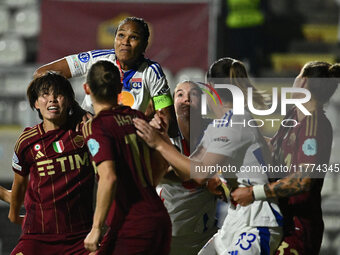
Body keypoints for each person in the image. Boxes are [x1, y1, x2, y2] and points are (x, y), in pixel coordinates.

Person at [134, 57, 283, 255]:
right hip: (235, 221)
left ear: (210, 89)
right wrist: (161, 146)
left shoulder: (235, 122)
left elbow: (200, 174)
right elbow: (188, 170)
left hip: (257, 222)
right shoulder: (218, 125)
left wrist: (160, 144)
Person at [232, 61, 340, 255]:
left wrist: (254, 192)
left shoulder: (313, 126)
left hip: (298, 228)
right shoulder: (293, 115)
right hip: (280, 219)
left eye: (298, 75)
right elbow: (273, 148)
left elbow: (303, 180)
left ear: (303, 82)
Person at [81, 60, 171, 255]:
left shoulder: (95, 126)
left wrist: (96, 228)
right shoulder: (137, 117)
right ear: (120, 88)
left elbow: (109, 177)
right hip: (157, 218)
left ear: (87, 88)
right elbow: (161, 163)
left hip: (133, 224)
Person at [8, 72, 95, 255]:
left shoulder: (86, 132)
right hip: (38, 236)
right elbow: (19, 186)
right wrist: (14, 214)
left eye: (59, 94)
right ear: (35, 103)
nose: (52, 100)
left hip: (81, 237)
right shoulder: (26, 141)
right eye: (45, 95)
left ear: (70, 101)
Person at [34, 16, 173, 120]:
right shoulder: (97, 59)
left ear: (144, 45)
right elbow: (41, 73)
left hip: (128, 138)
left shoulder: (153, 71)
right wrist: (74, 107)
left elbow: (166, 117)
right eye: (121, 35)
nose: (125, 42)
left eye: (134, 37)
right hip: (89, 131)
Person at [156, 81, 218, 255]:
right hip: (167, 234)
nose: (186, 100)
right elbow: (158, 173)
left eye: (194, 95)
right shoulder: (163, 132)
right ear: (173, 102)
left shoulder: (216, 131)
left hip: (203, 237)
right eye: (180, 95)